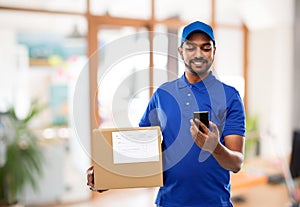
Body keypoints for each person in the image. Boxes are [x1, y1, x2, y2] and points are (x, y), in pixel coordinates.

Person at [87, 21, 246, 207]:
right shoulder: (163, 95)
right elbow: (142, 152)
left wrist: (215, 147)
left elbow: (236, 163)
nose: (198, 54)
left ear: (214, 51)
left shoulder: (229, 96)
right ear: (180, 51)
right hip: (169, 202)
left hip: (214, 203)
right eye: (191, 47)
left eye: (205, 48)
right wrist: (108, 176)